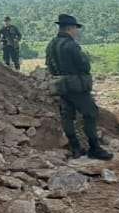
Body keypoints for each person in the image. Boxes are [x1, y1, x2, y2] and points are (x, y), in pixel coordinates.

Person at [44, 14, 113, 160]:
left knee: (67, 116)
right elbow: (84, 66)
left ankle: (75, 148)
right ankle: (94, 148)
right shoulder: (71, 45)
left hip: (61, 86)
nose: (77, 31)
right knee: (90, 113)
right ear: (70, 28)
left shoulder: (51, 44)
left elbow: (49, 66)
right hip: (76, 87)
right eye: (76, 28)